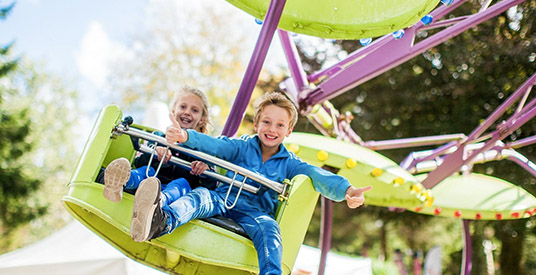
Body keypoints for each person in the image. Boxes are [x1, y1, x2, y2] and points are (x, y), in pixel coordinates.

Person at [130, 91, 372, 275]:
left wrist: (347, 190)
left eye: (279, 125)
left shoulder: (289, 163)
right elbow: (216, 146)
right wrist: (186, 136)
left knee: (270, 229)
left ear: (289, 130)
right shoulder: (243, 146)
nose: (271, 129)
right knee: (199, 197)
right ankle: (161, 221)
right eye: (266, 122)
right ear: (256, 124)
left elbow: (318, 175)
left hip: (254, 212)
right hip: (223, 198)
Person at [102, 85, 216, 208]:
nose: (187, 112)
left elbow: (211, 185)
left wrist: (204, 170)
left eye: (194, 110)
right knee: (148, 171)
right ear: (173, 111)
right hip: (149, 183)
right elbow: (139, 161)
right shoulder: (159, 137)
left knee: (182, 183)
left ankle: (158, 202)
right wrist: (155, 152)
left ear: (201, 120)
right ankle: (120, 183)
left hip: (175, 194)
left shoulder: (203, 151)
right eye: (183, 107)